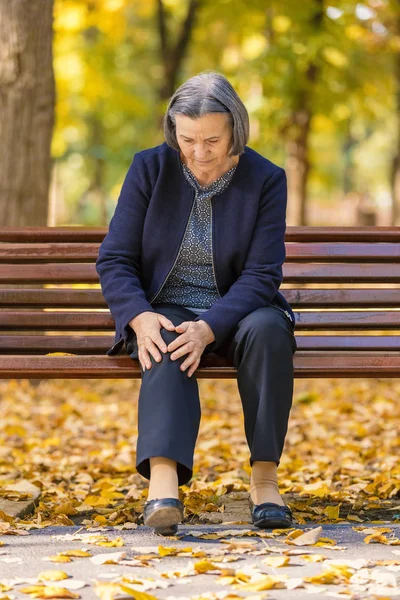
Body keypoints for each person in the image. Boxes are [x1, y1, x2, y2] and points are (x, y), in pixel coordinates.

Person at [96, 71, 297, 536]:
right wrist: (139, 315)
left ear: (235, 130)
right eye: (188, 139)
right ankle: (162, 488)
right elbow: (116, 258)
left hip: (242, 308)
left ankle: (265, 482)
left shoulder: (266, 179)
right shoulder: (150, 168)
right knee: (163, 337)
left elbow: (262, 274)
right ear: (173, 131)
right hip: (165, 305)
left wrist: (210, 326)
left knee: (269, 331)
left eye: (212, 140)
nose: (199, 152)